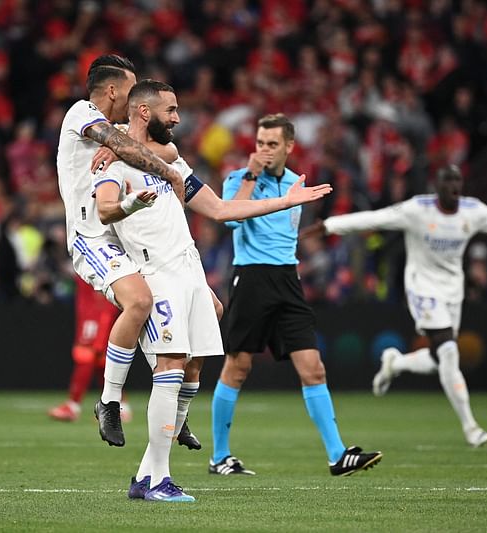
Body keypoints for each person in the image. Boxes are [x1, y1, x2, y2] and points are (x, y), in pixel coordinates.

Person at [94, 80, 332, 501]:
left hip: (191, 275)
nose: (178, 118)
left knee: (193, 367)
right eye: (171, 110)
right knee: (168, 368)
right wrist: (131, 204)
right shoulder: (113, 165)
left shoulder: (171, 164)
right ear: (145, 112)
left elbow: (221, 209)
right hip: (157, 275)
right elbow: (105, 207)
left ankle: (145, 475)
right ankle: (158, 480)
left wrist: (286, 201)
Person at [303, 164, 487, 446]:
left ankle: (397, 362)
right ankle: (471, 427)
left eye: (457, 183)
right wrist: (329, 225)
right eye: (446, 183)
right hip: (422, 288)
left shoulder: (473, 212)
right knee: (450, 352)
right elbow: (374, 219)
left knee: (441, 359)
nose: (452, 188)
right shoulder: (417, 210)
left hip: (452, 291)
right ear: (436, 187)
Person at [210, 113, 383, 478]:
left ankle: (337, 454)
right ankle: (220, 456)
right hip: (251, 278)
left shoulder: (294, 184)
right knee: (237, 367)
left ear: (290, 146)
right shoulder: (239, 179)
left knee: (313, 367)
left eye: (272, 144)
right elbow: (231, 219)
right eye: (260, 143)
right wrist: (252, 175)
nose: (264, 150)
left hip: (288, 280)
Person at [56, 54, 186, 447]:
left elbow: (170, 150)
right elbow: (141, 151)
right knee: (140, 302)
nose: (134, 100)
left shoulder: (115, 129)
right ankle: (108, 402)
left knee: (182, 307)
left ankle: (177, 409)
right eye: (130, 90)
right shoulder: (81, 113)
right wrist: (156, 166)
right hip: (92, 237)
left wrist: (127, 148)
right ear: (111, 90)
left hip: (127, 238)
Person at [47, 276, 133, 423]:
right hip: (90, 302)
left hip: (98, 306)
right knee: (101, 361)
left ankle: (73, 406)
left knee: (87, 353)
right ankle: (120, 407)